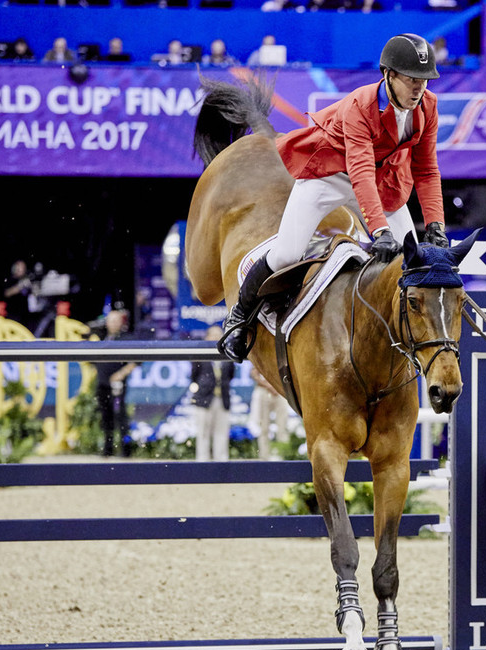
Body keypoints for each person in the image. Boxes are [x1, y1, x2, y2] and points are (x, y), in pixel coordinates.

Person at [219, 33, 448, 363]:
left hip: (382, 181)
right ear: (390, 75)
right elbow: (360, 172)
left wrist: (435, 224)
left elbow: (426, 169)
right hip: (331, 173)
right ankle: (239, 317)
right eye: (412, 80)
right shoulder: (360, 105)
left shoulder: (428, 106)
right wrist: (380, 231)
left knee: (414, 264)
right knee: (286, 254)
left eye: (425, 81)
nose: (419, 89)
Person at [94, 309, 138, 458]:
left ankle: (126, 450)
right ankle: (108, 449)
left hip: (117, 385)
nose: (112, 323)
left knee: (121, 416)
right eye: (110, 320)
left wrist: (120, 374)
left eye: (115, 320)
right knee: (106, 417)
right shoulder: (101, 338)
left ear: (121, 322)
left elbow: (136, 361)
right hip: (102, 384)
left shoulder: (126, 340)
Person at [189, 326, 235, 461]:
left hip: (222, 398)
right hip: (204, 398)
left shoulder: (227, 354)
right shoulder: (200, 354)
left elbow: (231, 375)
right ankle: (202, 462)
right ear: (206, 337)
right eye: (213, 335)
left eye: (219, 335)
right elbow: (194, 375)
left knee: (221, 432)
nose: (216, 338)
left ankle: (221, 462)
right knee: (203, 432)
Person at [249, 368, 288, 460]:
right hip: (264, 390)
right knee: (263, 427)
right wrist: (268, 386)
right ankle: (264, 457)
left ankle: (284, 455)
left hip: (280, 390)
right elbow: (254, 373)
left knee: (283, 426)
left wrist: (277, 386)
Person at [2, 259, 35, 330]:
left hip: (25, 314)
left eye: (23, 267)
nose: (22, 269)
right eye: (20, 267)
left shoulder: (27, 279)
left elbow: (33, 295)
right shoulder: (11, 279)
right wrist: (20, 286)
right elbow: (7, 293)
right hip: (13, 314)